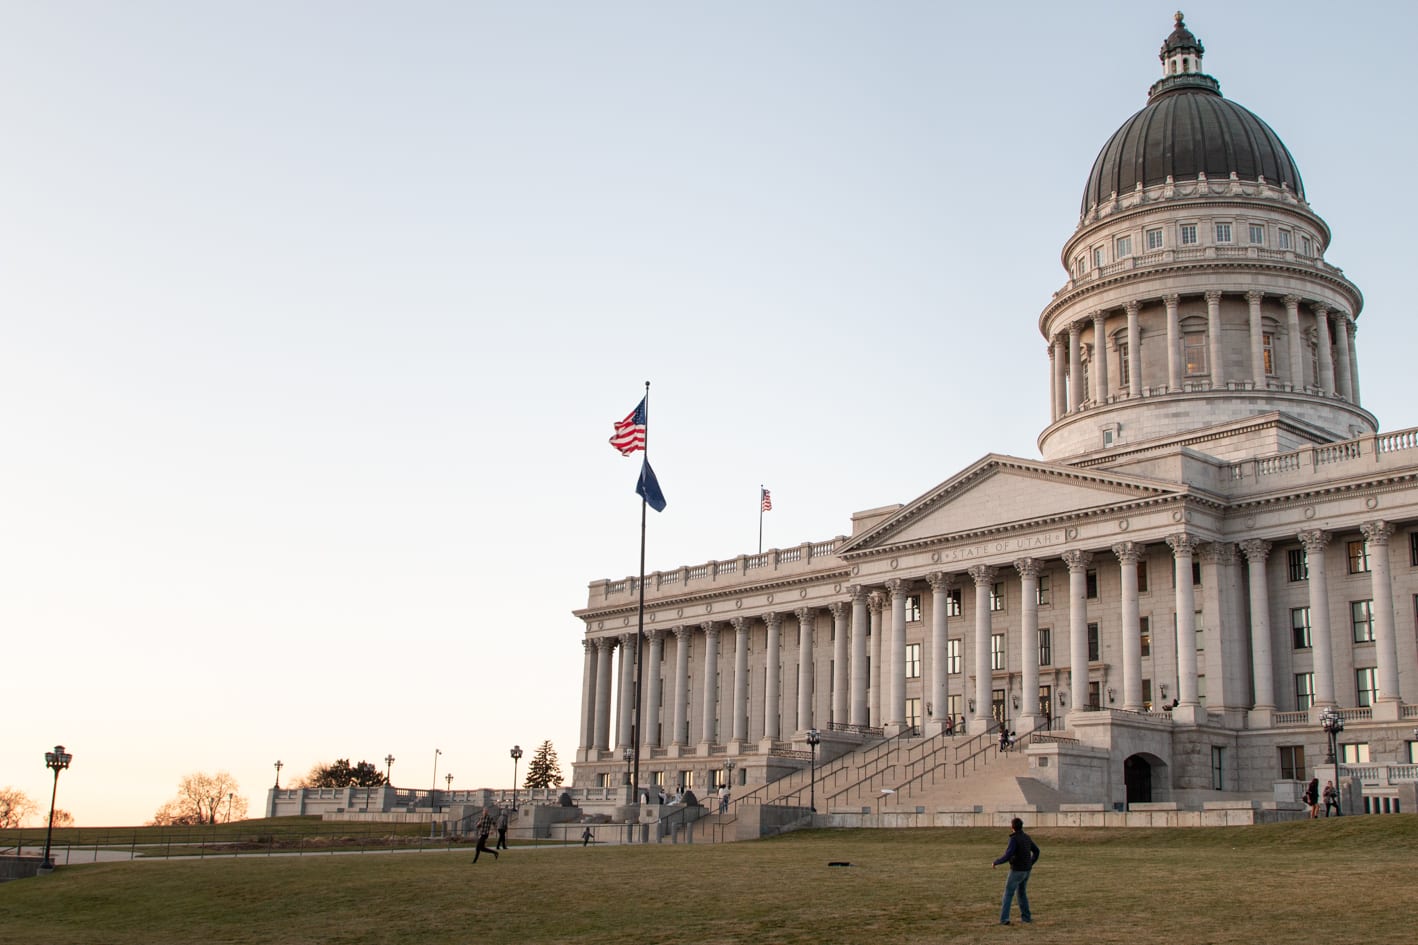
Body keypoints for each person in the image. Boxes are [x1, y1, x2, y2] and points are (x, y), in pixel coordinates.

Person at [991, 816, 1040, 925]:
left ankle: (1004, 919)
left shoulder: (1014, 838)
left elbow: (1008, 854)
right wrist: (1031, 862)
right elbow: (1036, 851)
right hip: (1026, 870)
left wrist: (996, 862)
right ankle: (1026, 918)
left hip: (1017, 870)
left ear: (1012, 827)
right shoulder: (1027, 837)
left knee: (1008, 894)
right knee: (1022, 893)